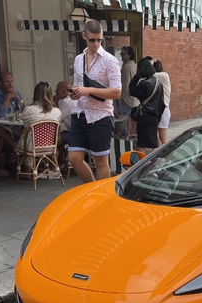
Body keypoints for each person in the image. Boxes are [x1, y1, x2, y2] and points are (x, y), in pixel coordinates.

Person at [67, 19, 121, 182]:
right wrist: (74, 93)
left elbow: (117, 91)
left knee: (100, 161)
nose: (96, 43)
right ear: (84, 36)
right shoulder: (78, 59)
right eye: (92, 39)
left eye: (99, 39)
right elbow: (78, 85)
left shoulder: (110, 60)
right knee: (74, 158)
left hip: (100, 116)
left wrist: (88, 90)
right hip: (80, 114)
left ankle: (101, 199)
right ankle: (92, 190)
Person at [17, 81, 62, 177]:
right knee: (30, 134)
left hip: (32, 146)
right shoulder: (57, 111)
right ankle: (54, 169)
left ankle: (28, 170)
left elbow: (24, 122)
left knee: (27, 134)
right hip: (50, 146)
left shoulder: (29, 110)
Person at [129, 57, 165, 154]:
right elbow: (162, 103)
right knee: (154, 143)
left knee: (142, 144)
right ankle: (155, 163)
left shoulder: (144, 84)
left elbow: (131, 90)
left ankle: (142, 165)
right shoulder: (159, 83)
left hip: (144, 116)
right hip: (155, 116)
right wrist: (158, 117)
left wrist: (137, 76)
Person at [54, 80, 78, 168]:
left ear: (64, 91)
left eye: (57, 89)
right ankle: (60, 164)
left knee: (53, 140)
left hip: (76, 135)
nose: (55, 91)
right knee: (59, 137)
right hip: (84, 133)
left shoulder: (66, 102)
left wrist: (54, 103)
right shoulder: (75, 98)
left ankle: (55, 168)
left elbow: (55, 119)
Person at [152, 59, 171, 146]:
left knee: (163, 138)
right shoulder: (155, 80)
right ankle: (158, 156)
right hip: (156, 110)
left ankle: (165, 157)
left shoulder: (164, 75)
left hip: (163, 110)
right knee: (155, 137)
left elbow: (149, 74)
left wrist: (150, 63)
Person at [117, 46, 138, 117]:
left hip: (127, 100)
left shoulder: (126, 67)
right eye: (121, 54)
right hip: (136, 100)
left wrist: (121, 97)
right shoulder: (136, 66)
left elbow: (125, 84)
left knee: (124, 123)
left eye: (123, 54)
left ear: (129, 55)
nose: (121, 56)